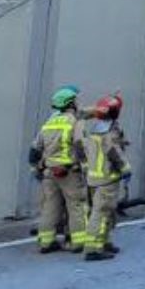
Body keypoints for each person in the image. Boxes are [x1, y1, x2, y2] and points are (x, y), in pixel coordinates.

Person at [30, 85, 88, 254]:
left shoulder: (48, 124)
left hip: (49, 172)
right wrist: (86, 165)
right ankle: (78, 242)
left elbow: (35, 149)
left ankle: (46, 242)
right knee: (76, 206)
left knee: (50, 207)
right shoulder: (75, 122)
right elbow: (79, 144)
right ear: (71, 103)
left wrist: (38, 168)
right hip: (70, 172)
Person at [82, 94, 130, 261]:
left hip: (94, 178)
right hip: (107, 178)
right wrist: (125, 168)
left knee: (106, 212)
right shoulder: (109, 131)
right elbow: (113, 152)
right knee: (101, 213)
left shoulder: (95, 128)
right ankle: (93, 249)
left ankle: (104, 241)